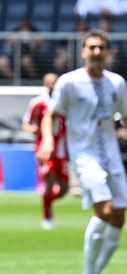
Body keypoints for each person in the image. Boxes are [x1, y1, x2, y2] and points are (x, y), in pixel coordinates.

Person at [37, 30, 127, 274]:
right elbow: (51, 113)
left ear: (108, 52)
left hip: (112, 157)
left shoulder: (115, 83)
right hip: (85, 156)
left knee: (118, 218)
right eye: (91, 47)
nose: (96, 52)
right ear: (83, 51)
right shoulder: (69, 82)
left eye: (101, 48)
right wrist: (48, 140)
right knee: (105, 210)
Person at [22, 73, 67, 228]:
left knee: (63, 189)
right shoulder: (38, 103)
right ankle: (47, 218)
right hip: (44, 148)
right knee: (48, 181)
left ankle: (46, 201)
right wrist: (33, 129)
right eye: (49, 82)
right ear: (44, 84)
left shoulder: (65, 102)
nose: (52, 85)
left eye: (55, 82)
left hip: (61, 148)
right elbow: (26, 123)